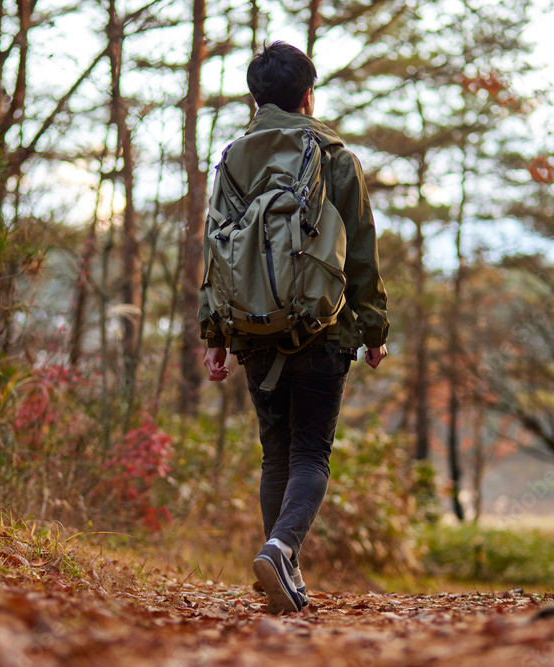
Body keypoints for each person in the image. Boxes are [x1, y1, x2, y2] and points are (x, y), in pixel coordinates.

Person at [199, 41, 389, 615]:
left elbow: (215, 249)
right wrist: (374, 325)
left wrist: (216, 336)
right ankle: (280, 550)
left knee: (274, 454)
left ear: (255, 98)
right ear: (309, 94)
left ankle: (280, 569)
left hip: (254, 330)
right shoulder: (332, 155)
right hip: (321, 327)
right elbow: (359, 246)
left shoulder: (231, 157)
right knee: (311, 453)